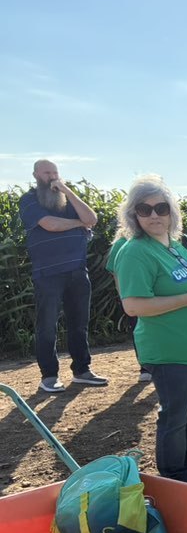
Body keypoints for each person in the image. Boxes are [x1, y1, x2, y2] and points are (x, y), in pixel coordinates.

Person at [115, 174, 187, 489]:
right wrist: (185, 300)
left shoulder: (177, 245)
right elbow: (133, 305)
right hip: (173, 353)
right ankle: (176, 482)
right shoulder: (136, 251)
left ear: (171, 212)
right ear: (133, 214)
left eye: (161, 208)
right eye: (144, 209)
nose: (154, 215)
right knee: (175, 420)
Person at [19, 159, 107, 392]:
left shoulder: (66, 200)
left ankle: (82, 370)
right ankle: (49, 376)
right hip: (47, 274)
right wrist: (79, 224)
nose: (52, 176)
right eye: (47, 172)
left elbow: (92, 219)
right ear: (36, 175)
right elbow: (50, 225)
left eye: (55, 172)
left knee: (79, 323)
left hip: (77, 270)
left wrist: (68, 191)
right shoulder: (29, 200)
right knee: (47, 326)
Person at [105, 233, 151, 383]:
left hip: (156, 295)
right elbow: (115, 271)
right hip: (135, 296)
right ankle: (145, 367)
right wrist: (123, 295)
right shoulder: (122, 243)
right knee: (139, 330)